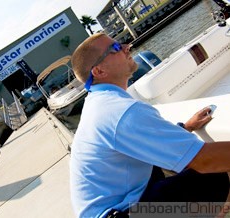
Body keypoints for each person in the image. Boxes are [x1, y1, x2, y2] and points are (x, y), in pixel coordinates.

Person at [69, 33, 230, 218]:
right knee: (212, 177)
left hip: (121, 205)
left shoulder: (100, 103)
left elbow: (147, 140)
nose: (126, 46)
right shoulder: (119, 111)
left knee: (167, 169)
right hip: (121, 214)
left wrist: (185, 127)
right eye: (115, 48)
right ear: (98, 71)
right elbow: (205, 161)